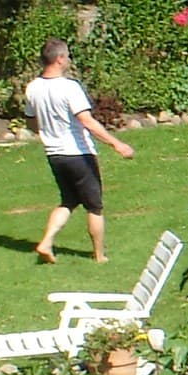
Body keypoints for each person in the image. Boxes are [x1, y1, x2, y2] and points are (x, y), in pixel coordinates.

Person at [25, 38, 134, 263]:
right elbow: (87, 121)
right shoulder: (69, 87)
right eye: (67, 56)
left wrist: (47, 131)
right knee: (94, 206)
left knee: (68, 200)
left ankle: (46, 242)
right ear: (59, 59)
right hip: (78, 154)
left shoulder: (33, 87)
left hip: (54, 154)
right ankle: (98, 255)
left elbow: (31, 122)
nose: (69, 60)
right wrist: (117, 144)